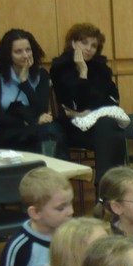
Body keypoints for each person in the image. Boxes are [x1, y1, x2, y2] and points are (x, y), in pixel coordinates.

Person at [49, 23, 126, 185]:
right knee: (111, 131)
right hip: (73, 128)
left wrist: (90, 109)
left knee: (109, 126)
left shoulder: (101, 69)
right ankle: (109, 186)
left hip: (99, 126)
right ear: (73, 43)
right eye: (84, 43)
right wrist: (83, 72)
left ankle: (106, 184)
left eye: (93, 45)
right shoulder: (60, 68)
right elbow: (73, 103)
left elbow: (113, 99)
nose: (89, 49)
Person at [0, 29, 64, 157]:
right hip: (8, 132)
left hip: (37, 129)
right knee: (47, 132)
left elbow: (41, 110)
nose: (25, 55)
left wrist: (24, 82)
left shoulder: (41, 74)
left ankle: (51, 167)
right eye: (18, 52)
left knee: (51, 131)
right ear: (8, 54)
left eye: (28, 50)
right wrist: (28, 122)